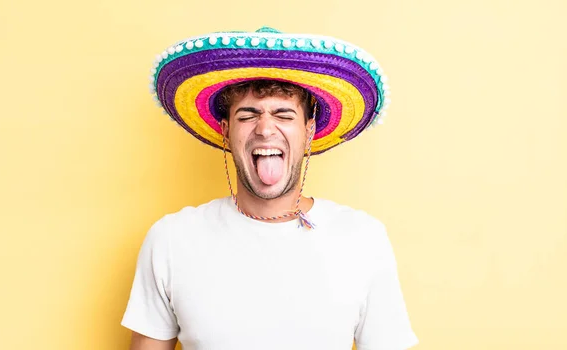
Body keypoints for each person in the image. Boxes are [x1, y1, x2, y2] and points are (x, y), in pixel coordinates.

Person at [121, 27, 418, 350]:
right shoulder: (172, 239)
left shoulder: (362, 237)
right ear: (225, 130)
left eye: (283, 114)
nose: (264, 129)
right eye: (248, 115)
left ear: (309, 131)